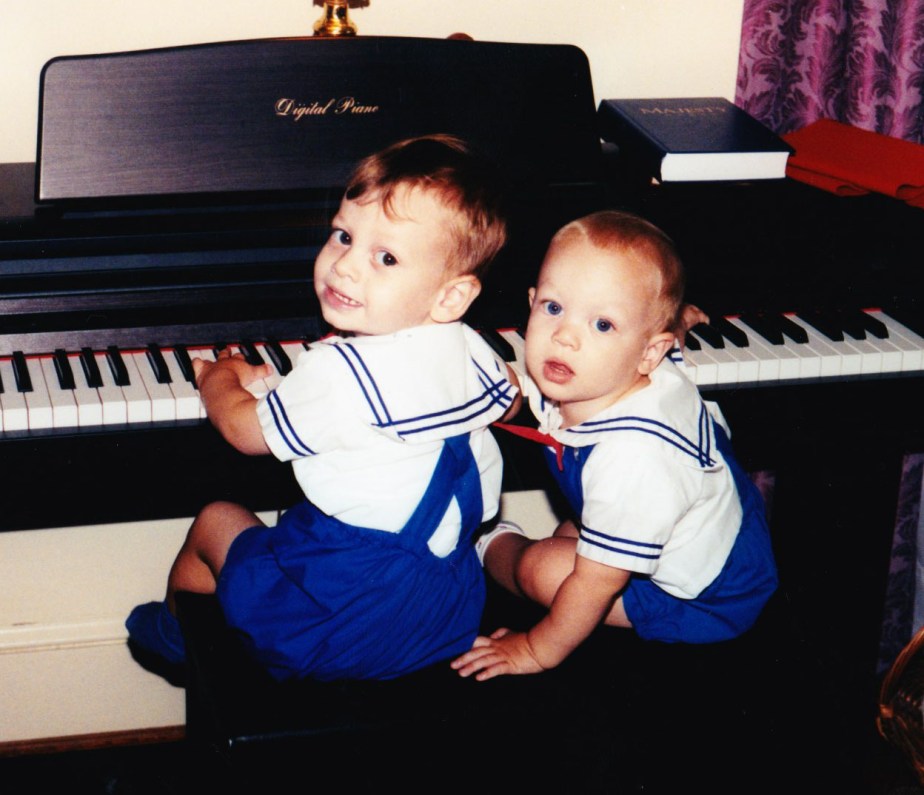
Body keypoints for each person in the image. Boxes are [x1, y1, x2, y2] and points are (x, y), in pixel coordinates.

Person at [126, 134, 519, 681]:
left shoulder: (336, 374)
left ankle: (181, 645)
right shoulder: (472, 346)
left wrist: (220, 378)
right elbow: (510, 398)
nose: (345, 268)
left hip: (337, 629)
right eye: (342, 236)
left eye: (385, 257)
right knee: (313, 521)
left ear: (450, 296)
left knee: (216, 520)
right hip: (441, 614)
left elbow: (243, 431)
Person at [451, 210, 778, 681]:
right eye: (553, 307)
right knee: (577, 532)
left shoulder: (636, 461)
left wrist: (535, 650)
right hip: (703, 527)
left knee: (542, 570)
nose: (565, 336)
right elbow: (666, 346)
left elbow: (597, 583)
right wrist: (673, 319)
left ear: (649, 351)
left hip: (704, 599)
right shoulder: (625, 368)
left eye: (603, 324)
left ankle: (489, 541)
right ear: (531, 301)